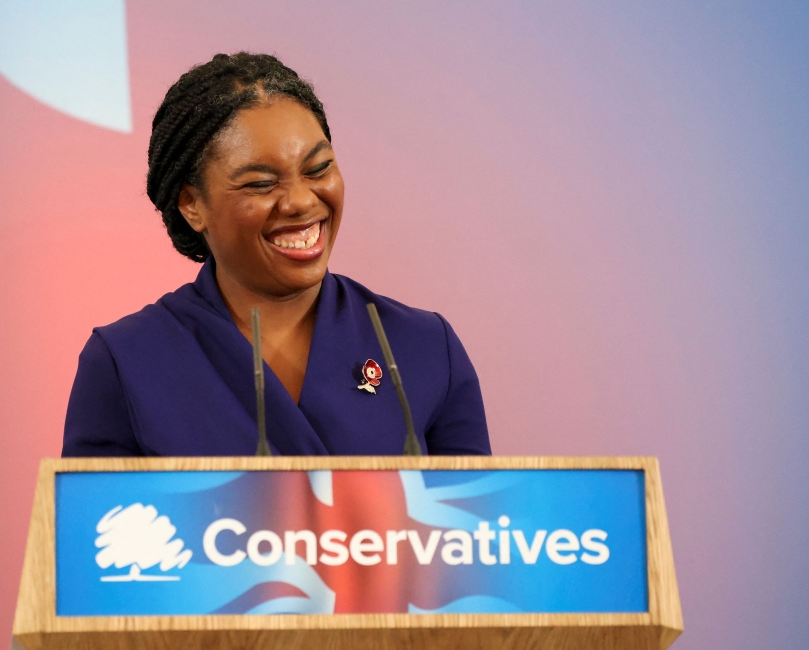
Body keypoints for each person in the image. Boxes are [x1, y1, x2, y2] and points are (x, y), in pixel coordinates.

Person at [62, 53, 490, 457]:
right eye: (261, 183)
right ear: (192, 204)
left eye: (318, 169)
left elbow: (476, 525)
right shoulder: (127, 361)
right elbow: (94, 532)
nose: (301, 201)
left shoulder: (425, 346)